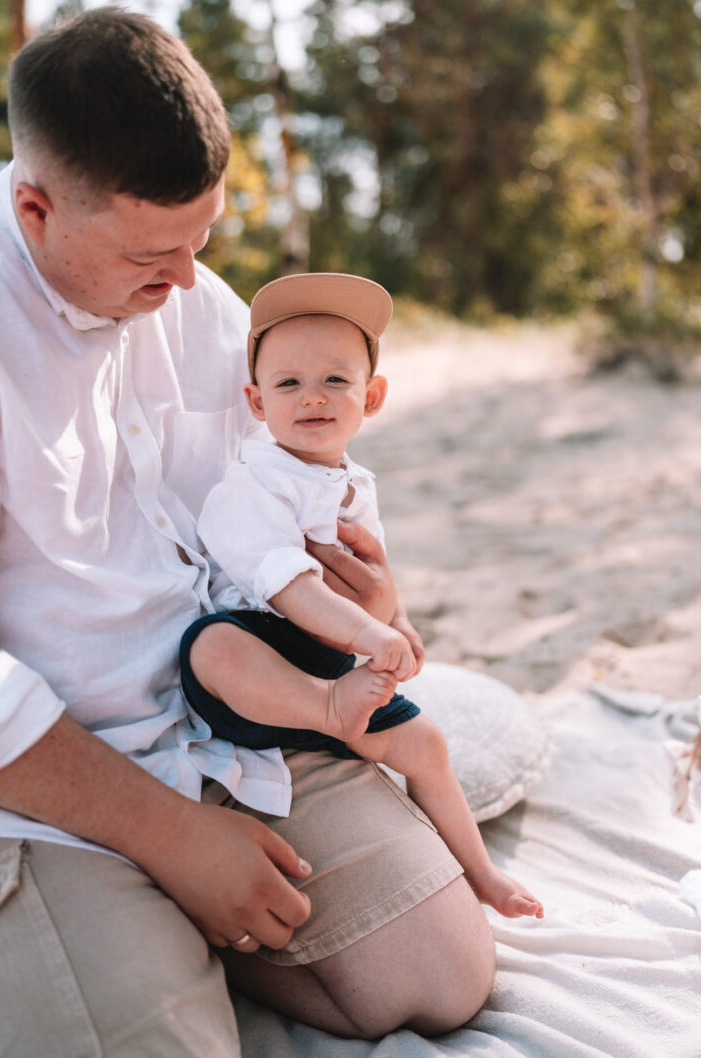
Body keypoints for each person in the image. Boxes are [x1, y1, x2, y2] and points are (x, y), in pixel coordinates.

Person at [0, 8, 496, 1058]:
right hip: (21, 777)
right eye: (153, 254)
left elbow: (267, 520)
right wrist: (174, 839)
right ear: (36, 209)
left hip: (220, 714)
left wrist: (365, 603)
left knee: (438, 979)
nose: (189, 282)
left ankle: (163, 933)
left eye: (205, 239)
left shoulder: (194, 295)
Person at [181, 273, 544, 921]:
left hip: (334, 662)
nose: (313, 396)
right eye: (288, 383)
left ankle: (481, 872)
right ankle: (327, 709)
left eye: (335, 379)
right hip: (263, 664)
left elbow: (373, 569)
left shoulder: (356, 485)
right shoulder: (252, 486)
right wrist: (371, 633)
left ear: (371, 396)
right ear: (256, 401)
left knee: (427, 745)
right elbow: (290, 587)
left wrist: (398, 621)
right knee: (210, 648)